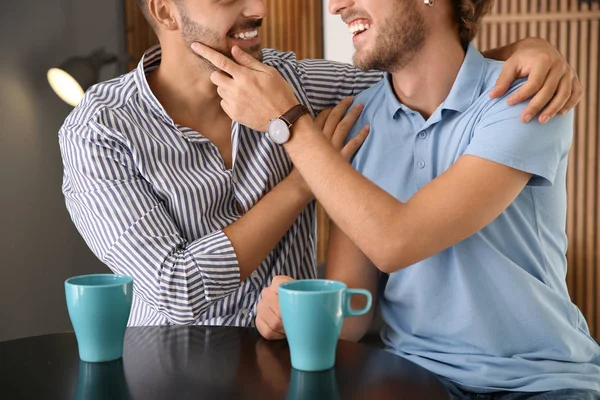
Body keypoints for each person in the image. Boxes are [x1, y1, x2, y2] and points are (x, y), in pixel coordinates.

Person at [60, 0, 580, 329]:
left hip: (300, 358)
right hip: (169, 365)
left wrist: (529, 50)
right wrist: (301, 184)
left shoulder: (292, 85)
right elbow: (178, 288)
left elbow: (418, 67)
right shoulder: (99, 132)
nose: (259, 7)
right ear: (167, 13)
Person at [192, 0, 600, 398]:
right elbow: (352, 311)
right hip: (412, 378)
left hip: (540, 381)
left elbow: (396, 241)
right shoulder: (356, 120)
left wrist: (287, 122)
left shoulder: (526, 96)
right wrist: (297, 311)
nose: (335, 7)